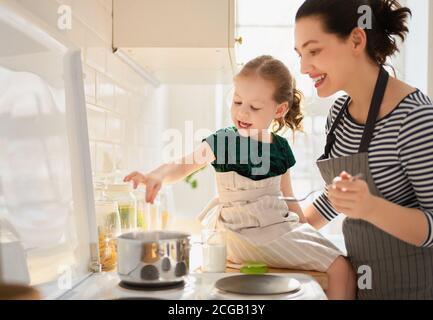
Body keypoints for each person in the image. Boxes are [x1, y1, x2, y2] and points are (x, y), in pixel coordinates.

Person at [124, 55, 356, 299]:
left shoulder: (280, 148)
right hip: (240, 236)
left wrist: (307, 232)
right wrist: (155, 176)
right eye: (237, 101)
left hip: (275, 229)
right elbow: (183, 165)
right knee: (340, 267)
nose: (242, 112)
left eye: (254, 107)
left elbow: (288, 198)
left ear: (279, 109)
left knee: (343, 266)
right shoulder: (224, 141)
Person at [294, 0, 433, 299]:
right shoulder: (339, 113)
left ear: (357, 40)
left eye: (313, 51)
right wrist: (287, 227)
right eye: (300, 55)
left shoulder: (415, 118)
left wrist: (371, 208)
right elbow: (340, 200)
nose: (304, 67)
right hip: (365, 287)